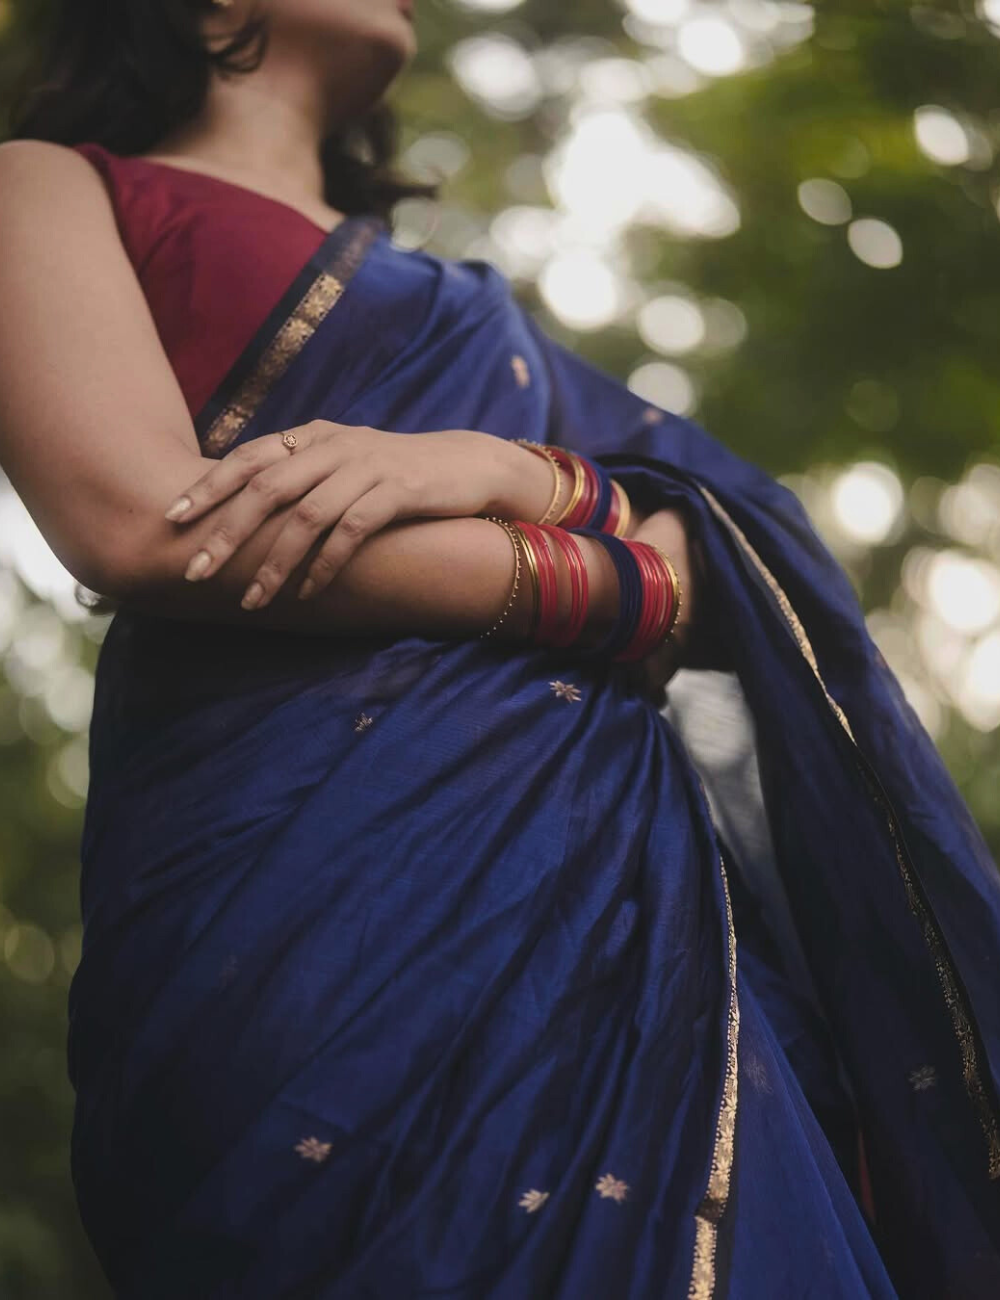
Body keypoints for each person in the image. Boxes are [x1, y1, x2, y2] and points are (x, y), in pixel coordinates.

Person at [1, 1, 999, 1296]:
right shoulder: (50, 186)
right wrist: (605, 561)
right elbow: (143, 522)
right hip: (286, 875)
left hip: (599, 883)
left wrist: (505, 473)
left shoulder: (487, 329)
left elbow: (736, 554)